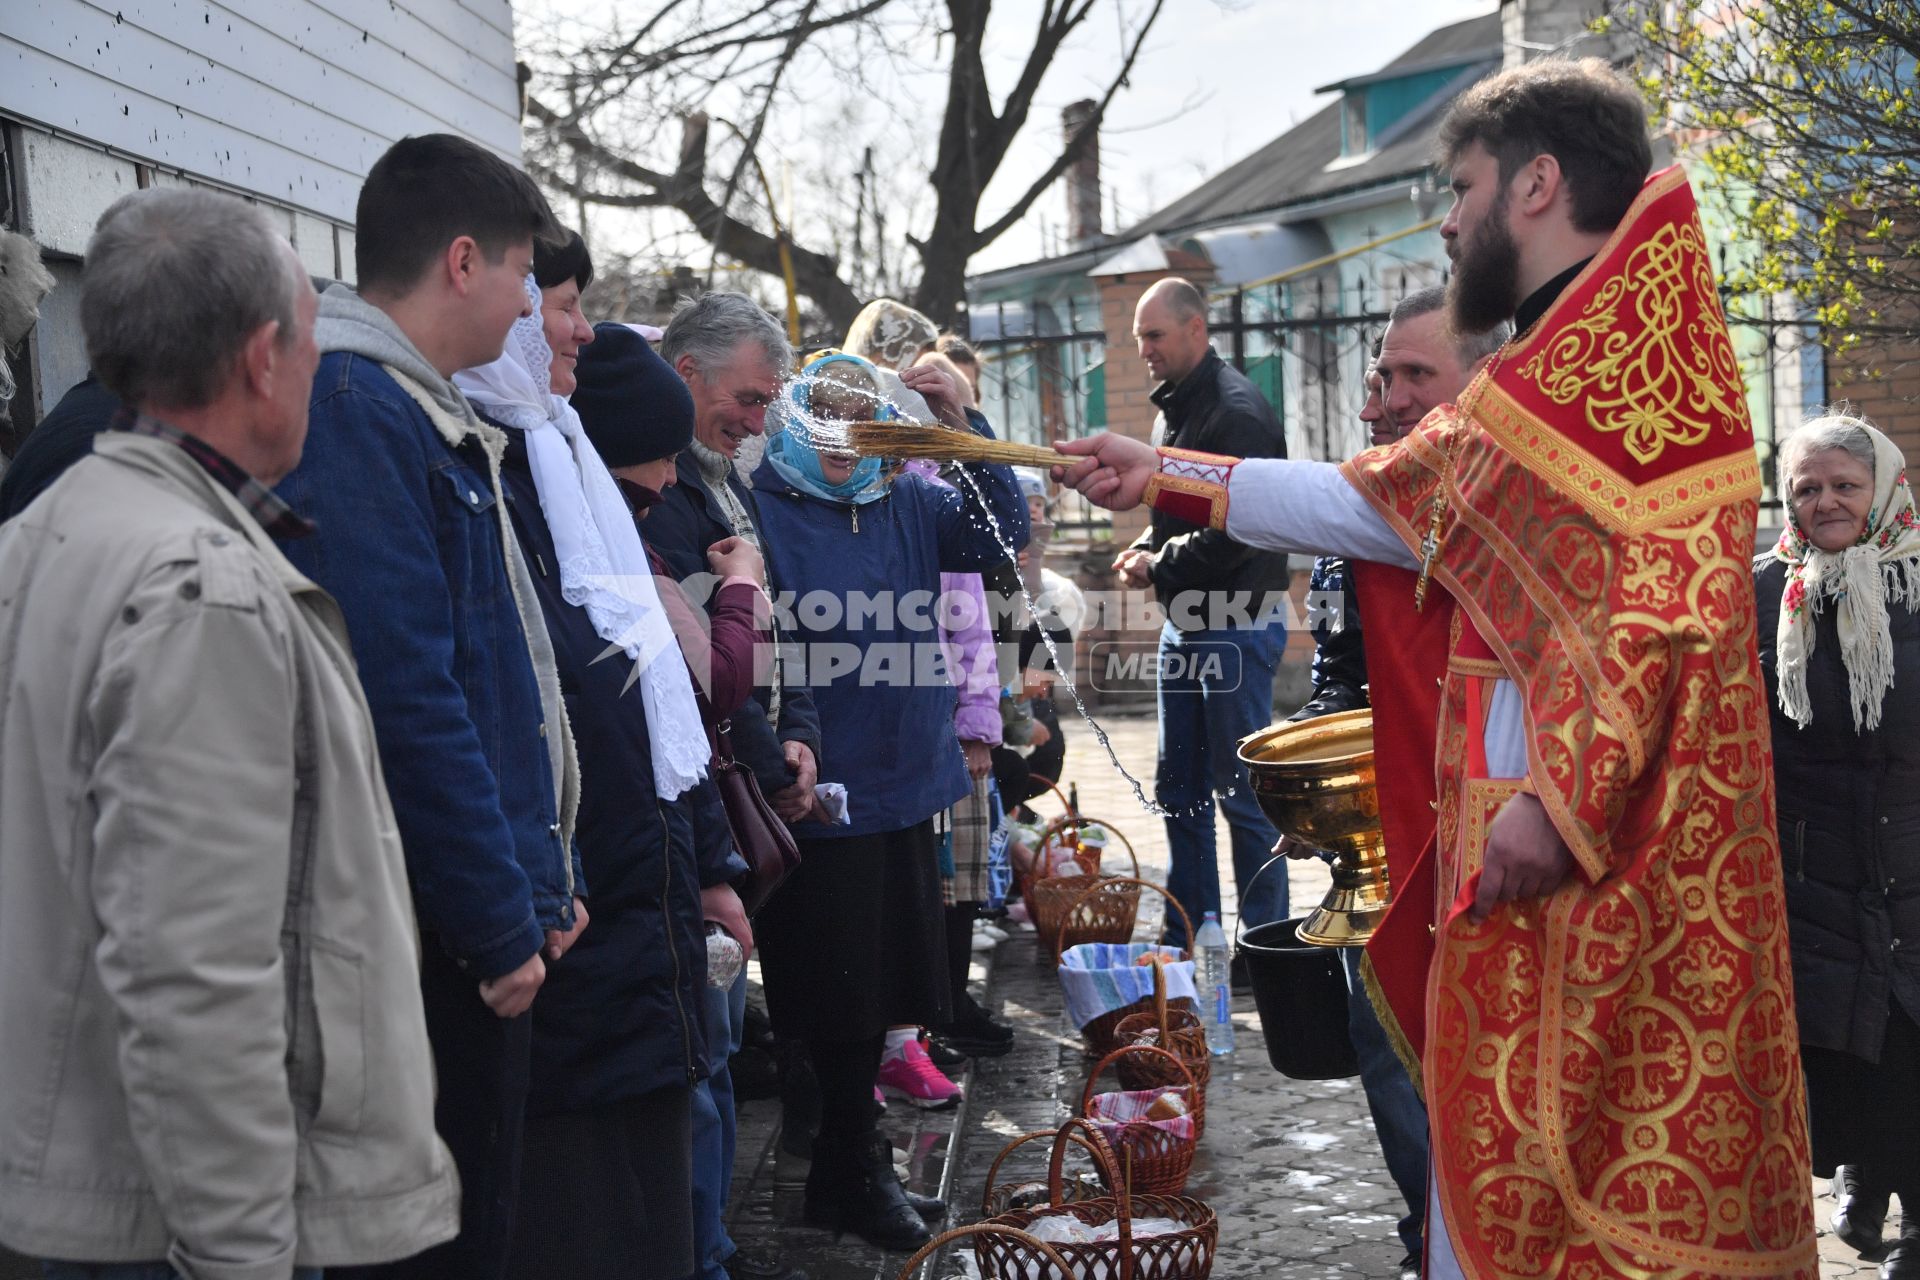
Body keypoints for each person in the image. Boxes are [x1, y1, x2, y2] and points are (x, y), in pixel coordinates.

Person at [1053, 57, 1817, 1280]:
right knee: (1504, 1150)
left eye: (1461, 187)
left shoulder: (1615, 378)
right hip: (1533, 842)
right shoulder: (1560, 361)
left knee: (1596, 1155)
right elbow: (1386, 500)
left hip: (1591, 844)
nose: (1448, 218)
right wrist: (1166, 475)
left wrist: (1561, 798)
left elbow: (1681, 605)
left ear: (1538, 181)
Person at [0, 188, 457, 1276]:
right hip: (147, 1220)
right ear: (264, 355)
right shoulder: (202, 591)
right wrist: (242, 1254)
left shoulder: (33, 536)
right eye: (310, 338)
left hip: (59, 1177)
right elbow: (193, 972)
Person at [273, 134, 585, 1280]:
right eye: (520, 277)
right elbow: (403, 693)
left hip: (461, 920)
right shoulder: (361, 408)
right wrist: (499, 917)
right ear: (464, 261)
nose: (526, 310)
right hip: (423, 943)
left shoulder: (411, 404)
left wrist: (542, 875)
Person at [454, 240, 734, 1280]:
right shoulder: (493, 474)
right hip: (576, 927)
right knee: (586, 1219)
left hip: (633, 911)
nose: (580, 326)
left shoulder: (559, 458)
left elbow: (649, 695)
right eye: (562, 304)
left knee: (649, 1200)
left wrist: (706, 856)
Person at [751, 352, 1028, 1252]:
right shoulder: (765, 502)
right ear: (796, 421)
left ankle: (846, 1163)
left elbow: (996, 542)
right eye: (823, 422)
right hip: (824, 785)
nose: (841, 442)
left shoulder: (909, 498)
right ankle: (843, 1159)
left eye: (859, 423)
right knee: (829, 989)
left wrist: (964, 434)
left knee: (885, 991)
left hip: (909, 776)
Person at [1276, 288, 1506, 1280]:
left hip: (1489, 837)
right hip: (1373, 825)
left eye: (1418, 375)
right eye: (1384, 375)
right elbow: (1340, 661)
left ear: (1484, 383)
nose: (1388, 398)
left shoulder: (1511, 498)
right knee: (1384, 1045)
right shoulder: (1370, 493)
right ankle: (1431, 1237)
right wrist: (1308, 764)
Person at [645, 292, 817, 1280]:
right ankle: (702, 1249)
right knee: (702, 1061)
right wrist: (761, 750)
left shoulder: (722, 481)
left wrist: (799, 737)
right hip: (699, 805)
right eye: (747, 399)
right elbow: (711, 670)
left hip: (742, 787)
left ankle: (710, 1241)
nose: (758, 422)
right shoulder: (653, 490)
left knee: (714, 1053)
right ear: (686, 372)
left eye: (765, 404)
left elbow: (780, 629)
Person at [1757, 411, 1920, 1280]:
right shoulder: (1764, 594)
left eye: (1844, 486)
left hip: (1913, 859)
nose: (1825, 503)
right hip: (1816, 869)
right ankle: (1866, 1183)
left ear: (1883, 488)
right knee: (1851, 1049)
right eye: (1806, 489)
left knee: (1910, 1040)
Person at [1110, 276, 1290, 948]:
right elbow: (1181, 514)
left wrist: (1158, 565)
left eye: (1154, 336)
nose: (1145, 351)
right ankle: (1194, 931)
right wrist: (1147, 547)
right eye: (1138, 339)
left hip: (1235, 625)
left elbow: (1238, 531)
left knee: (1242, 797)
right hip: (1187, 623)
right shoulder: (1174, 409)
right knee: (1177, 784)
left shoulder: (1234, 411)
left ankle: (1264, 943)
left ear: (1195, 329)